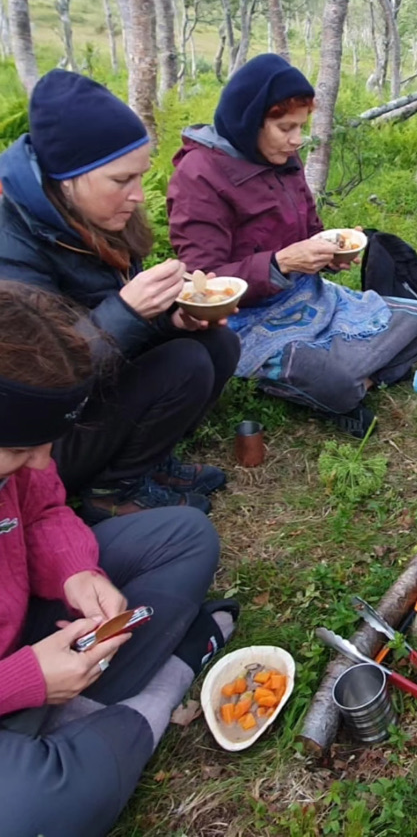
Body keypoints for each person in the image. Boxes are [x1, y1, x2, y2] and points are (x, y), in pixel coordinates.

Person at [0, 281, 239, 837]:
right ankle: (159, 685)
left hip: (27, 632)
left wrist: (75, 571)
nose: (40, 463)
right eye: (17, 449)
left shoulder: (24, 462)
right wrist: (21, 681)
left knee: (185, 535)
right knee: (34, 811)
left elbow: (41, 512)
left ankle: (71, 707)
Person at [0, 70, 239, 524]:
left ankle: (149, 461)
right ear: (66, 180)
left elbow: (117, 332)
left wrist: (173, 319)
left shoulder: (96, 217)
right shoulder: (11, 248)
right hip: (39, 443)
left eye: (140, 177)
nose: (136, 196)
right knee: (182, 364)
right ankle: (113, 491)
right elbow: (38, 382)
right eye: (120, 180)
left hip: (92, 389)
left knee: (215, 343)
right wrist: (129, 310)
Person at [166, 53, 417, 438]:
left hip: (310, 297)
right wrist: (280, 263)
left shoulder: (284, 157)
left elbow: (310, 229)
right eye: (284, 127)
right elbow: (204, 281)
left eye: (301, 127)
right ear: (248, 121)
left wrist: (330, 253)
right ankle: (346, 383)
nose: (297, 139)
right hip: (248, 320)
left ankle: (356, 381)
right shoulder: (199, 175)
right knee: (336, 383)